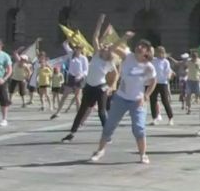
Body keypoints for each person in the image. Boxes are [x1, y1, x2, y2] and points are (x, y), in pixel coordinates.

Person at [90, 35, 156, 165]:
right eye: (138, 45)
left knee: (139, 128)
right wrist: (124, 37)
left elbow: (153, 81)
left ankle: (143, 154)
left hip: (137, 101)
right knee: (109, 125)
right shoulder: (128, 56)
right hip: (121, 98)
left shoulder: (148, 67)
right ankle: (100, 151)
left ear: (147, 51)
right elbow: (113, 48)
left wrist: (146, 95)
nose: (139, 47)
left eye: (143, 46)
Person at [61, 15, 120, 143]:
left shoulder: (109, 63)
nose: (103, 47)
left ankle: (107, 135)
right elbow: (95, 37)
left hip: (100, 88)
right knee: (81, 111)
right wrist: (99, 22)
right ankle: (71, 133)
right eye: (103, 46)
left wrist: (111, 87)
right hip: (89, 87)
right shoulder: (96, 55)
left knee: (101, 112)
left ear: (109, 51)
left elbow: (116, 74)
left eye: (106, 47)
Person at [149, 46, 175, 126]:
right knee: (153, 101)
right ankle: (155, 118)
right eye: (159, 52)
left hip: (163, 83)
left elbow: (168, 72)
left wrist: (170, 76)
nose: (160, 54)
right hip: (154, 83)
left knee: (165, 101)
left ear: (164, 53)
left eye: (162, 52)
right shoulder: (153, 60)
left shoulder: (165, 62)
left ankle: (170, 118)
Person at [184, 50, 200, 115]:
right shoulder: (188, 61)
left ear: (197, 56)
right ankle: (189, 109)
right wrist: (186, 71)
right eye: (193, 56)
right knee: (188, 95)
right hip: (189, 80)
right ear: (191, 56)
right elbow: (185, 67)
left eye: (195, 56)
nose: (194, 57)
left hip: (197, 80)